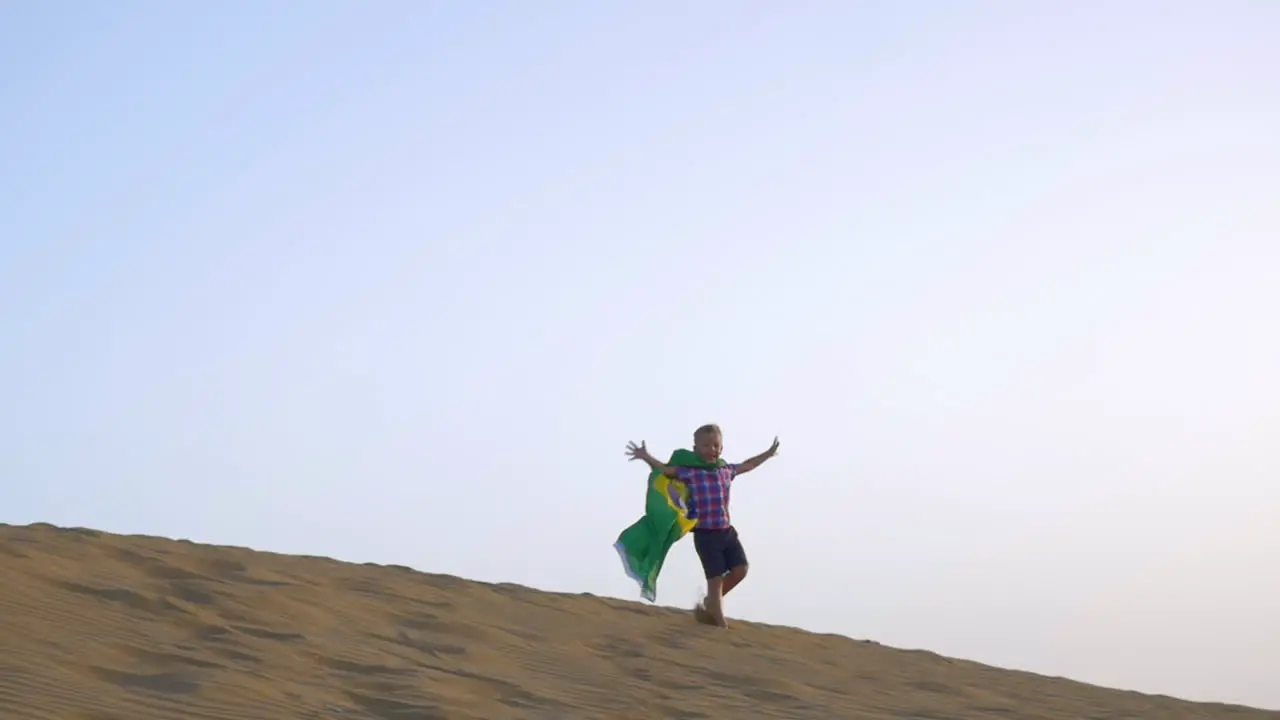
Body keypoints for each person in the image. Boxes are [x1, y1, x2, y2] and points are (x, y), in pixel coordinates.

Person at [624, 424, 780, 628]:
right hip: (706, 536)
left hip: (727, 532)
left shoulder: (726, 470)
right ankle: (718, 621)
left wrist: (768, 454)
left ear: (721, 449)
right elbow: (665, 470)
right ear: (696, 449)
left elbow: (748, 465)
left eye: (716, 445)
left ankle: (711, 603)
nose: (711, 450)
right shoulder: (690, 473)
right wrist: (646, 457)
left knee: (741, 570)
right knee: (714, 579)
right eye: (706, 445)